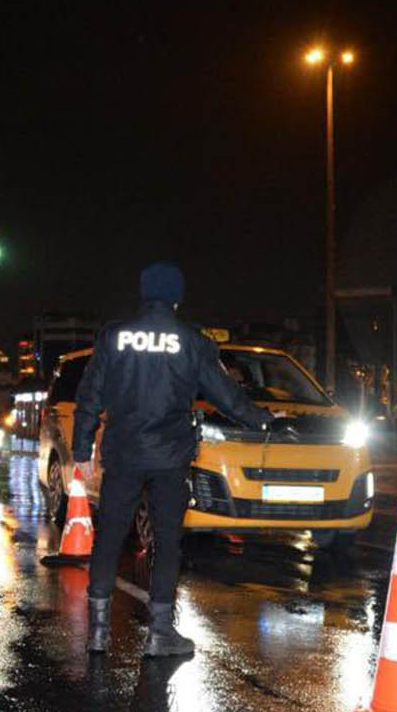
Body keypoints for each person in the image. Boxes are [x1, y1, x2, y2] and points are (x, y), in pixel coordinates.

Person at [73, 262, 273, 658]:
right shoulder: (192, 341)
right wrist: (264, 420)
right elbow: (225, 394)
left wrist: (81, 451)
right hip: (169, 458)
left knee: (109, 538)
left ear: (145, 293)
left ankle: (97, 633)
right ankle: (159, 634)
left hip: (123, 454)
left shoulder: (114, 336)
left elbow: (89, 396)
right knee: (167, 543)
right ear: (177, 297)